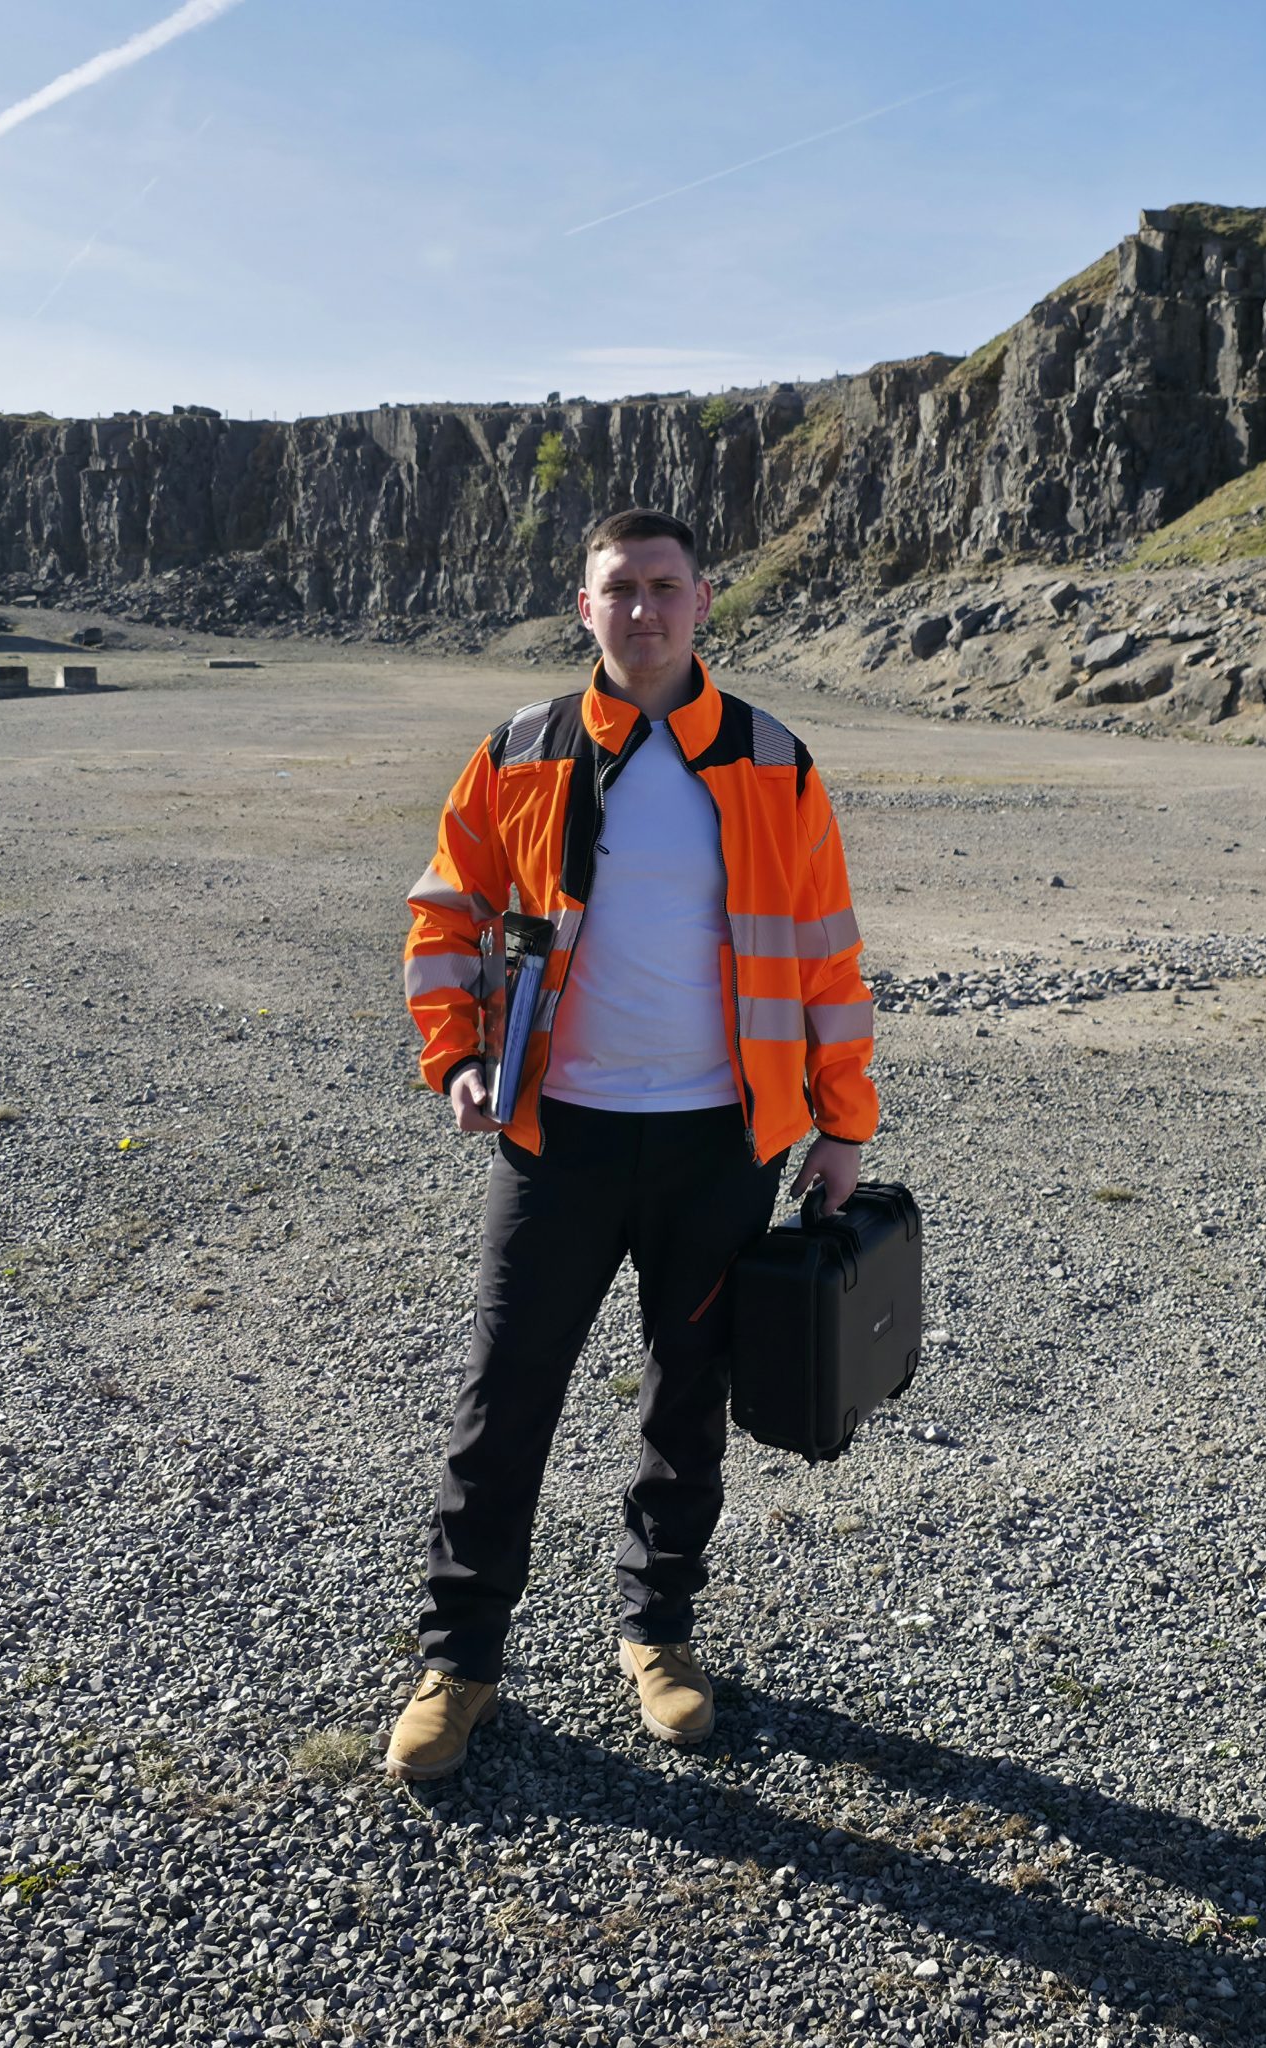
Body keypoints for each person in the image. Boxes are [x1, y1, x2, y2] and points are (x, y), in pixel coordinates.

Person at [389, 507, 877, 1780]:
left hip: (723, 1140)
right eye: (622, 589)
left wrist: (841, 1123)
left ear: (706, 600)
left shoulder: (774, 759)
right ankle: (461, 1659)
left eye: (666, 587)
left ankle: (656, 1635)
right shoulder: (522, 752)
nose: (646, 611)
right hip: (562, 1138)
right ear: (585, 605)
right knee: (505, 1399)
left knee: (688, 1400)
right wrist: (455, 1056)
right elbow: (445, 915)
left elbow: (824, 953)